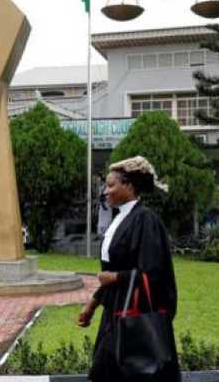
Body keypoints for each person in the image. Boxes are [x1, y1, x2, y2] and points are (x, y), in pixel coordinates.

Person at [77, 156, 180, 381]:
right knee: (109, 370)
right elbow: (113, 270)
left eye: (111, 185)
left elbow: (151, 273)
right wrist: (93, 305)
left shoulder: (145, 220)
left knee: (128, 372)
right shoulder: (122, 219)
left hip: (136, 317)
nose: (105, 191)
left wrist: (114, 277)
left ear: (129, 186)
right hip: (114, 312)